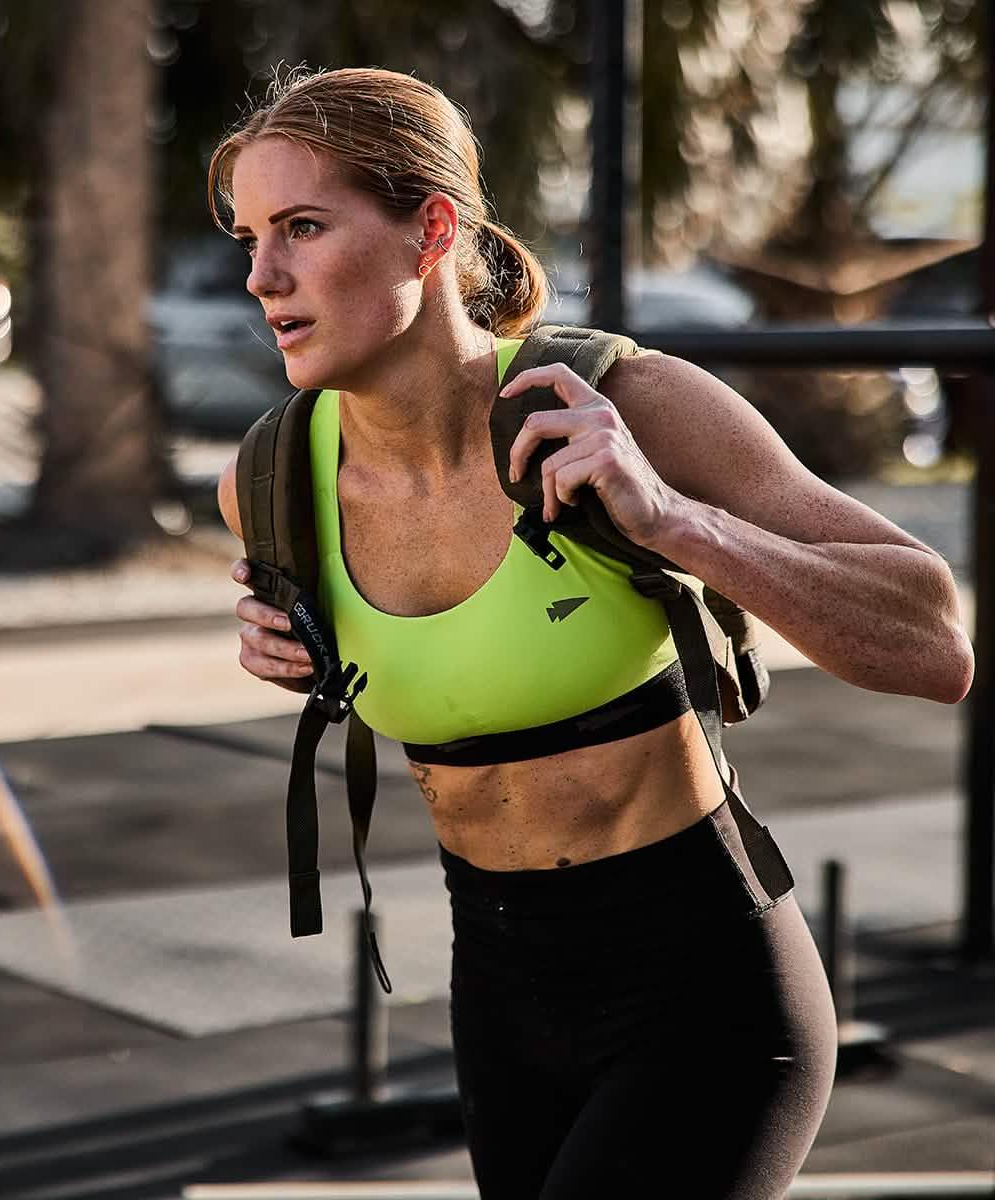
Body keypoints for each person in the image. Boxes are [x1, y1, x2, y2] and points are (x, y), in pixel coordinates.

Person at [209, 67, 974, 1199]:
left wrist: (674, 521)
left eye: (304, 228)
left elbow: (934, 640)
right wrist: (298, 657)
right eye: (251, 236)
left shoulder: (624, 406)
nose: (262, 276)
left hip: (703, 983)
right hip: (500, 994)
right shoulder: (270, 480)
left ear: (430, 230)